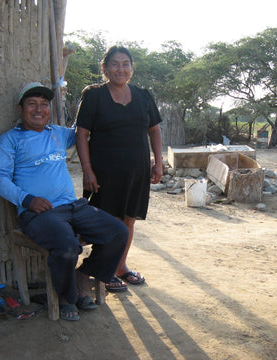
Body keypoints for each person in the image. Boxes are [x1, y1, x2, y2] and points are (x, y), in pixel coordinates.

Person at [0, 82, 128, 321]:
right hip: (39, 213)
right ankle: (67, 296)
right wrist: (27, 199)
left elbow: (82, 131)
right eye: (32, 104)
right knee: (66, 245)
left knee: (118, 232)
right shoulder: (9, 141)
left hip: (73, 207)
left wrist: (92, 97)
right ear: (20, 109)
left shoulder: (58, 134)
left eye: (44, 104)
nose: (38, 109)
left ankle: (83, 276)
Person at [75, 46, 163, 292]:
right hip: (103, 172)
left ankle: (120, 267)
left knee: (128, 220)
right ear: (104, 68)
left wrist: (158, 161)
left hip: (136, 171)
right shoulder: (94, 96)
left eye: (125, 64)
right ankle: (101, 269)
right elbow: (81, 134)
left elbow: (154, 130)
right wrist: (87, 170)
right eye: (114, 64)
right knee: (106, 221)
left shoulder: (143, 96)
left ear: (131, 68)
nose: (120, 69)